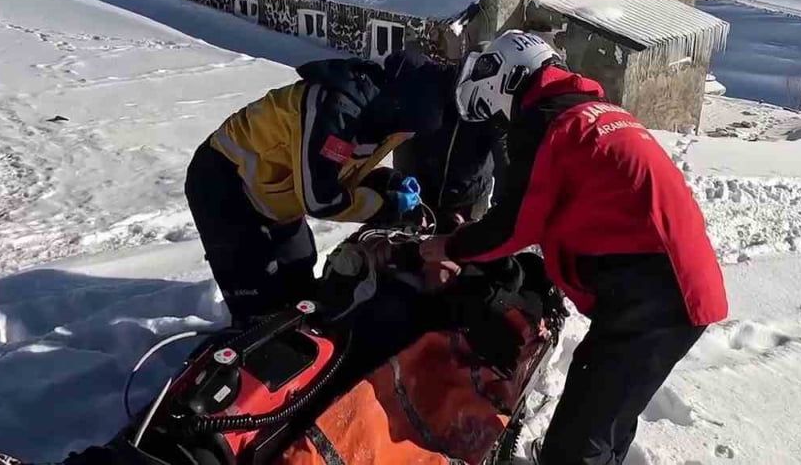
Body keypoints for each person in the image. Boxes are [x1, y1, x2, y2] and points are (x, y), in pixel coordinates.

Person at [417, 30, 729, 465]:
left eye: (497, 111)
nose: (503, 124)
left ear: (507, 78)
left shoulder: (550, 123)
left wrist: (450, 246)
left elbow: (514, 225)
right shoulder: (591, 112)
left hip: (656, 293)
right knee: (606, 408)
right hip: (672, 284)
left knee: (579, 439)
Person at [186, 55, 447, 324]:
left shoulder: (383, 114)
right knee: (260, 305)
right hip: (223, 183)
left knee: (300, 276)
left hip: (275, 189)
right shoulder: (337, 112)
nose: (408, 137)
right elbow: (321, 199)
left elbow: (339, 168)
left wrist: (384, 181)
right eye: (410, 130)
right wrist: (389, 208)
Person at [385, 48, 508, 234]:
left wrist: (498, 213)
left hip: (467, 200)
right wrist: (405, 188)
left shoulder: (494, 105)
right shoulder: (431, 87)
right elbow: (405, 140)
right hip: (420, 194)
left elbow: (505, 161)